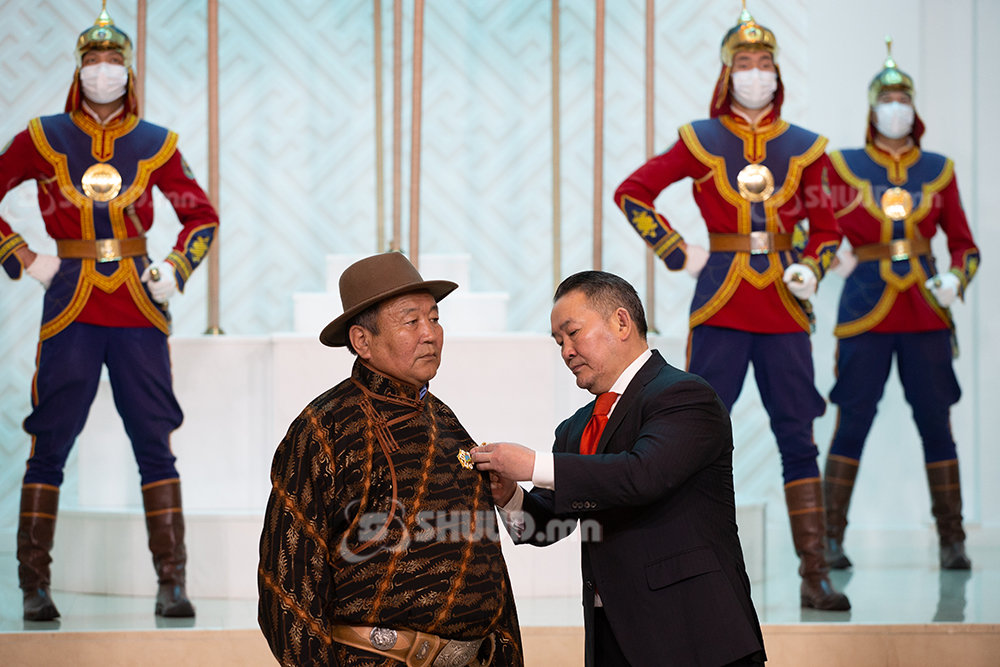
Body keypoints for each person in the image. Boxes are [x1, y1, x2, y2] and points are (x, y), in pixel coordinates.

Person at [612, 5, 849, 611]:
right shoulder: (702, 139)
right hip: (721, 302)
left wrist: (812, 265)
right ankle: (687, 565)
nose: (755, 72)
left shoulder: (807, 147)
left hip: (785, 307)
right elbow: (632, 192)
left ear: (777, 72)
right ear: (727, 71)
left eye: (764, 62)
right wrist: (676, 252)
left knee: (798, 434)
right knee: (693, 433)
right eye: (744, 62)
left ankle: (815, 572)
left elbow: (827, 229)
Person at [0, 4, 218, 621]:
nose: (103, 70)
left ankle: (172, 584)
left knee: (155, 442)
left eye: (112, 60)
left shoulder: (156, 144)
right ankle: (33, 586)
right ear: (78, 69)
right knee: (50, 441)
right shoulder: (42, 137)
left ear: (128, 70)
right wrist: (22, 256)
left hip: (137, 305)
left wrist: (174, 268)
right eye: (93, 60)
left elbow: (201, 216)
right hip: (69, 302)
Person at [472, 271, 765, 667]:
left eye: (573, 333)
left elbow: (642, 475)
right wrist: (508, 495)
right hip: (612, 636)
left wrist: (532, 464)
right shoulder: (575, 427)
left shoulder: (684, 395)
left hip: (696, 633)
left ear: (622, 322)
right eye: (559, 342)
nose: (566, 352)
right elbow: (544, 527)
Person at [257, 252, 523, 667]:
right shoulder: (324, 428)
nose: (430, 334)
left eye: (434, 319)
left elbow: (486, 560)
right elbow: (287, 585)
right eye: (411, 321)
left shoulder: (446, 421)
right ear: (362, 341)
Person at [821, 40, 980, 571]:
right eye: (887, 100)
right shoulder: (843, 166)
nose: (896, 109)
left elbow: (965, 245)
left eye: (904, 100)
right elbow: (814, 229)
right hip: (864, 311)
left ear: (915, 109)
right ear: (873, 110)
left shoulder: (938, 169)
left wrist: (957, 277)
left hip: (926, 312)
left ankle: (953, 539)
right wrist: (830, 256)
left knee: (936, 423)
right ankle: (830, 538)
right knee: (852, 420)